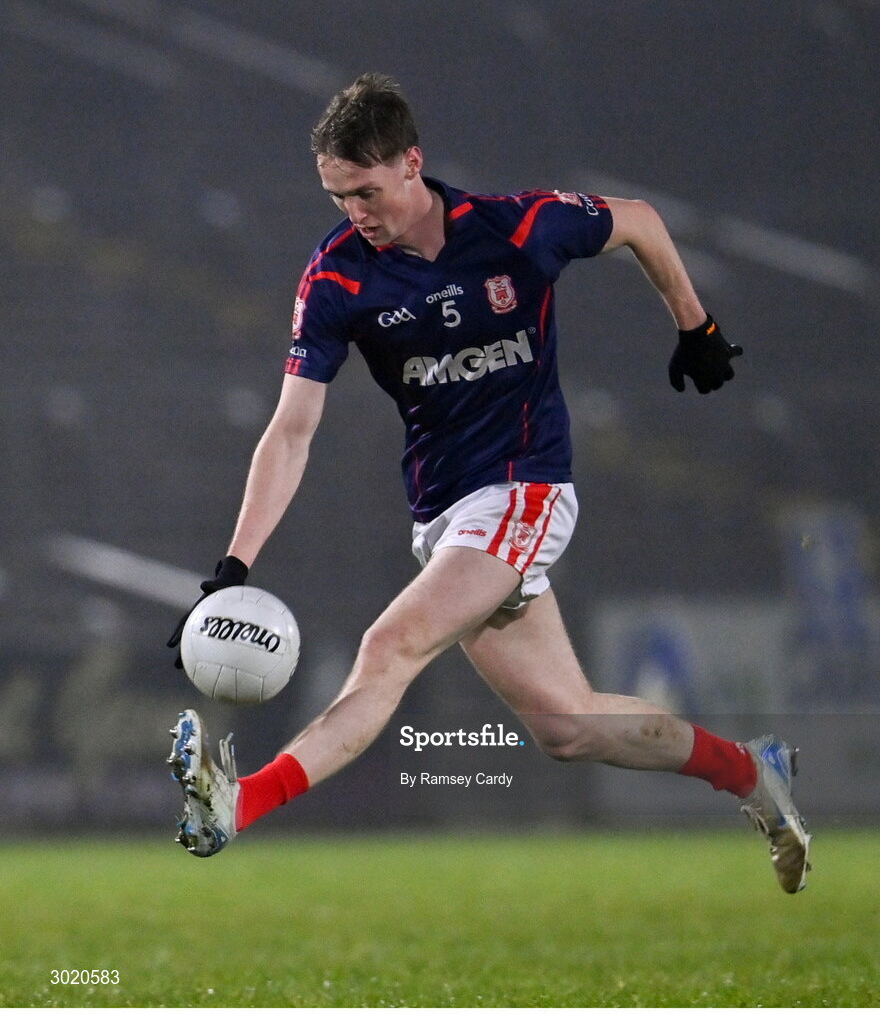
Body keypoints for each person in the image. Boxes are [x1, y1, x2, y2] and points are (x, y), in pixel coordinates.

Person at [166, 73, 811, 893]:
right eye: (336, 197)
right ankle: (755, 774)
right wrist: (233, 569)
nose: (353, 212)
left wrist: (698, 325)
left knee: (386, 647)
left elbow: (641, 222)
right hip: (445, 512)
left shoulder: (517, 228)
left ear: (412, 162)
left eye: (365, 190)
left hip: (527, 485)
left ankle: (237, 804)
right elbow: (292, 429)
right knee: (569, 727)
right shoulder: (336, 280)